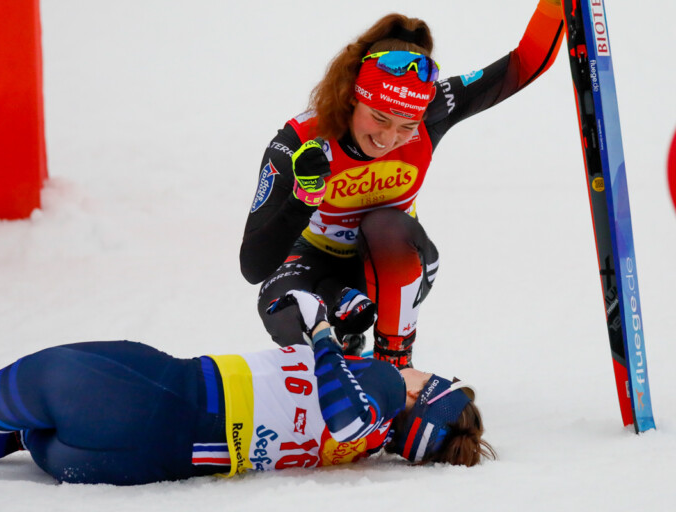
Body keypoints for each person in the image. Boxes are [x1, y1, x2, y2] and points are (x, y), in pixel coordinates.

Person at [240, 0, 565, 368]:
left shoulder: (435, 109)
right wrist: (302, 199)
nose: (389, 138)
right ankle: (339, 343)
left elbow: (524, 63)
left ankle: (396, 363)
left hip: (397, 259)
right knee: (280, 305)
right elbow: (254, 267)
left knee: (384, 224)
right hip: (315, 261)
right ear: (351, 97)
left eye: (407, 126)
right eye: (379, 118)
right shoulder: (300, 141)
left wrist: (557, 7)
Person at [0, 291, 494, 485]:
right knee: (24, 432)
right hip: (143, 459)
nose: (416, 368)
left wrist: (320, 331)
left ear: (424, 395)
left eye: (431, 377)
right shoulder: (368, 443)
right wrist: (337, 335)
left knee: (28, 387)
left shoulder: (382, 393)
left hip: (158, 395)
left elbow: (343, 411)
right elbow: (337, 407)